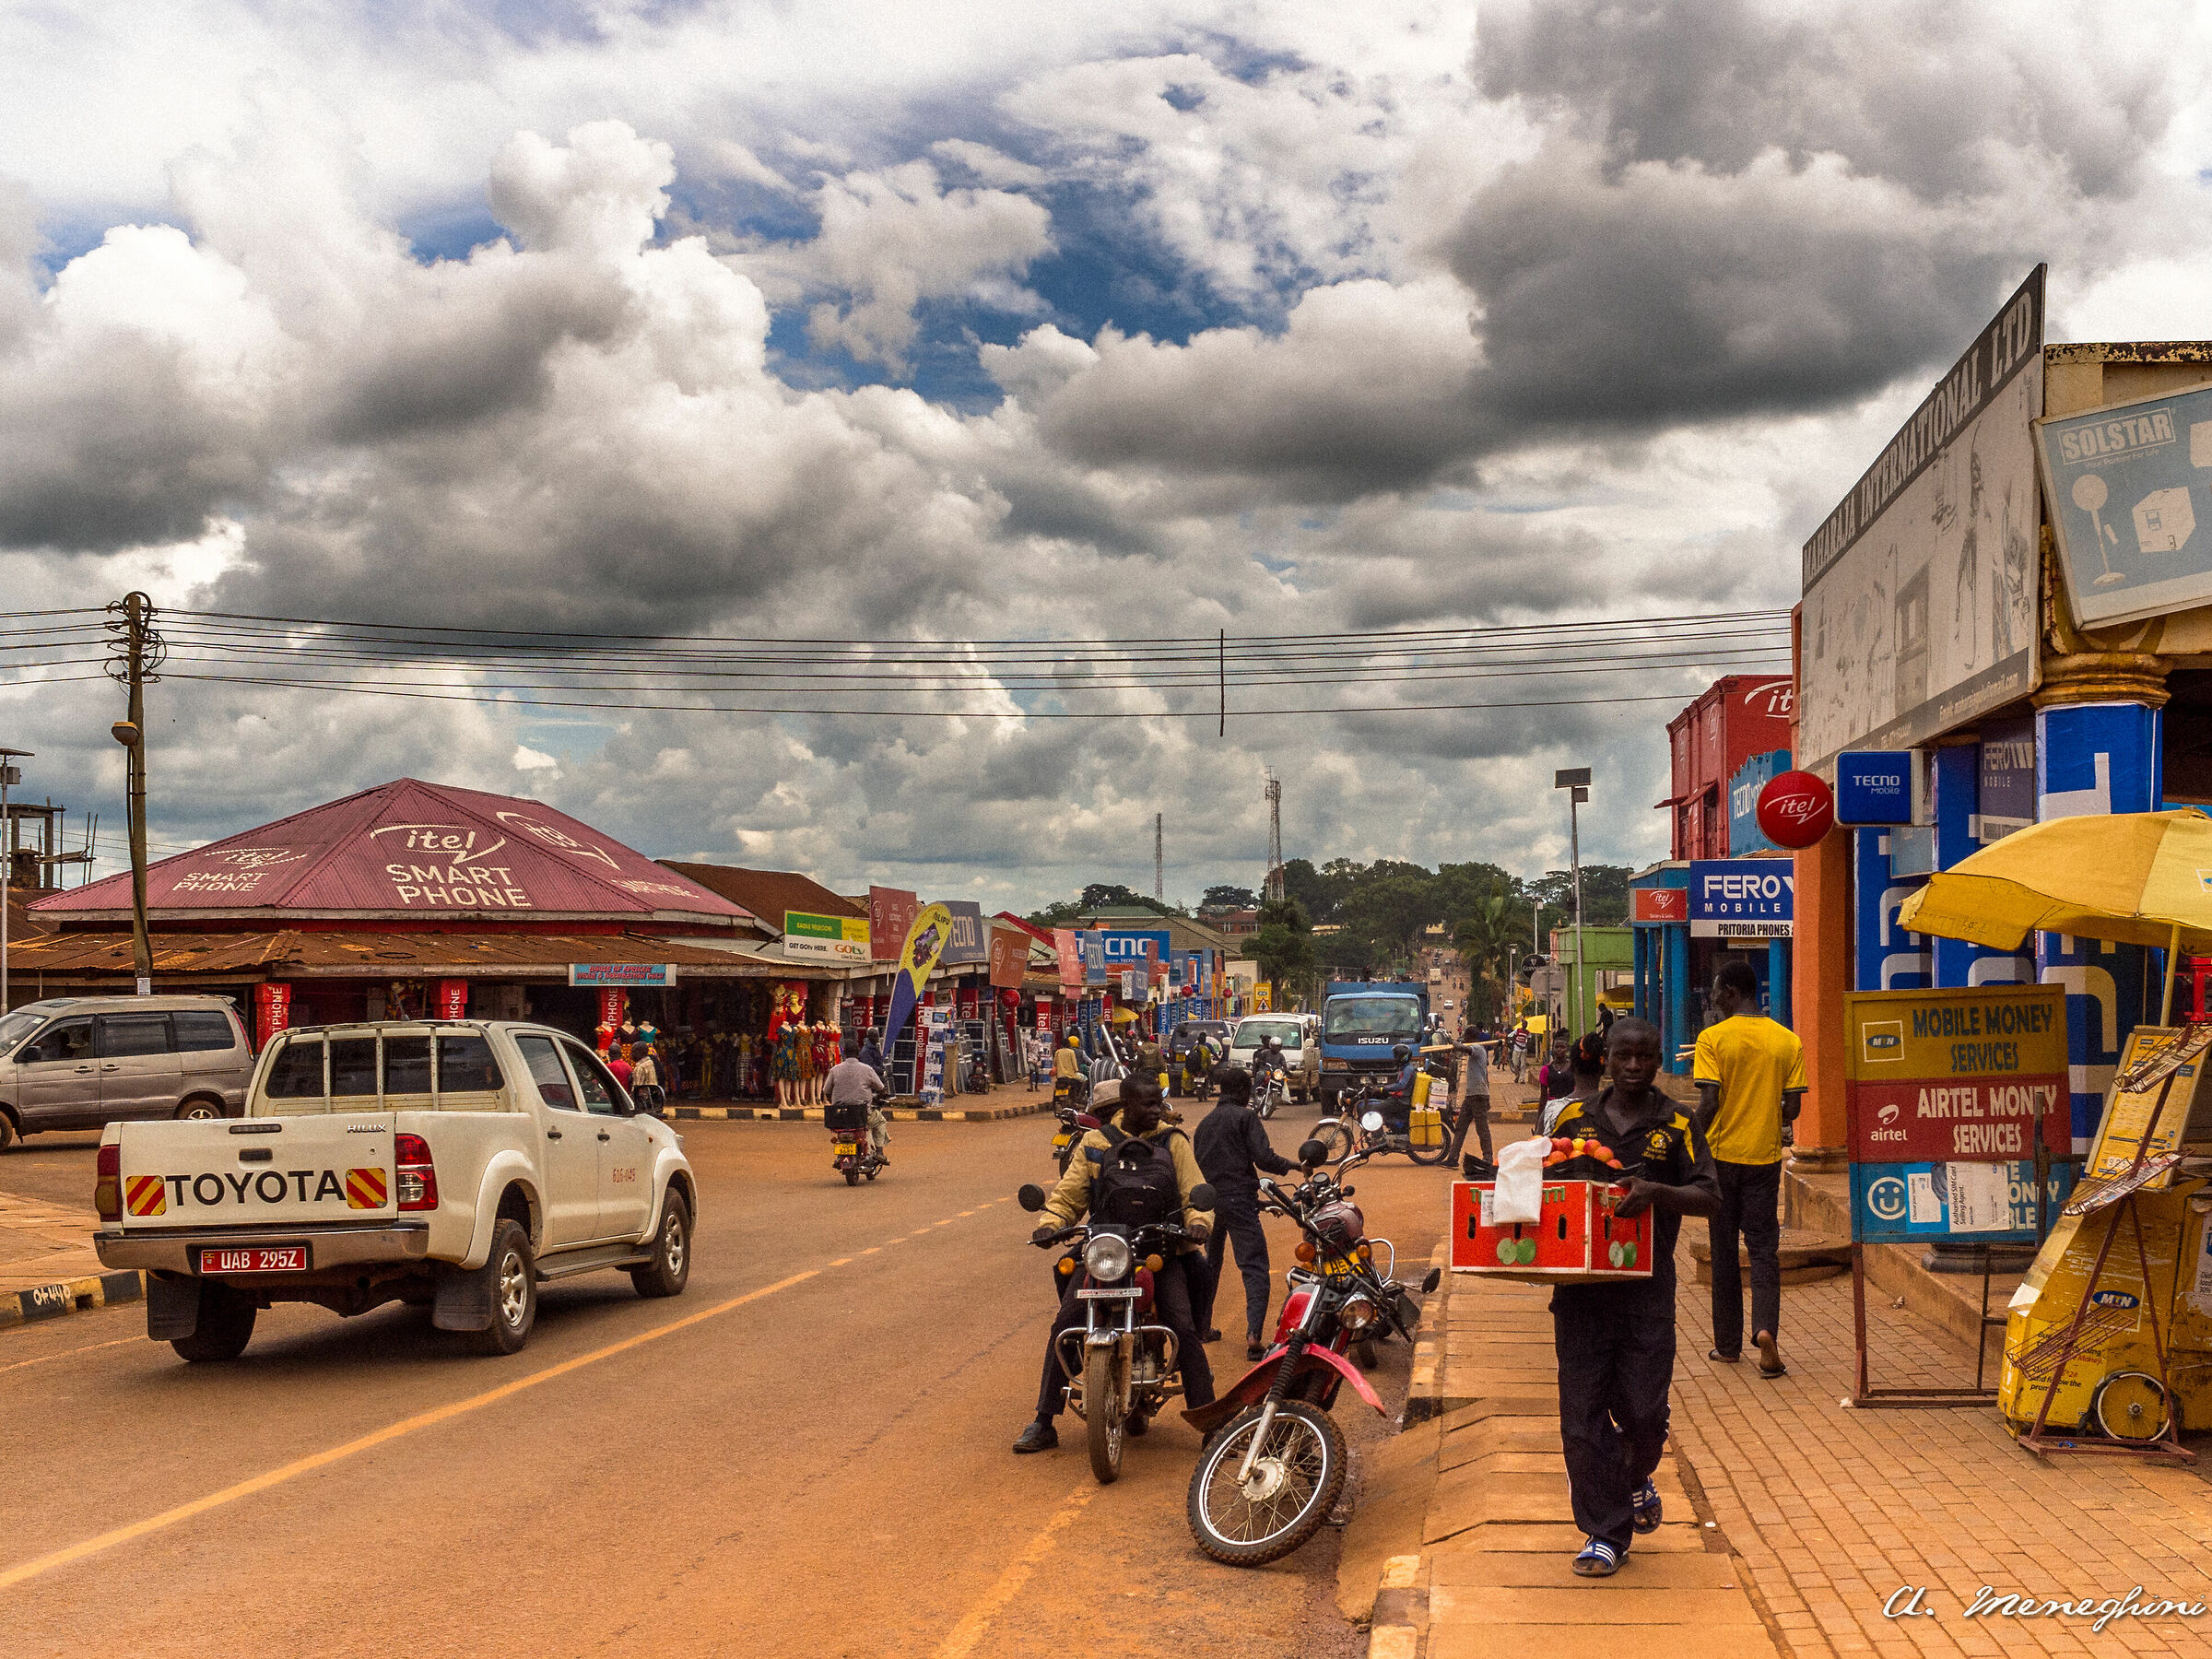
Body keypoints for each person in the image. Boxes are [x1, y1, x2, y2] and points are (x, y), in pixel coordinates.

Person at [1545, 1018, 1719, 1578]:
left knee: (1645, 1415)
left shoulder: (1679, 1122)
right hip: (1580, 1295)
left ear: (1659, 1059)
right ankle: (1604, 1533)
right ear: (1607, 1058)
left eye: (1645, 1057)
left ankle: (1636, 1476)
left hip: (1647, 1294)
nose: (1635, 1067)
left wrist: (1656, 1193)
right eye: (1624, 1056)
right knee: (1582, 1420)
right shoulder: (1573, 1117)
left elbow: (1710, 1196)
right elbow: (1543, 1183)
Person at [1012, 1078, 1214, 1453]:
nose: (1156, 1111)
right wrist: (1050, 1225)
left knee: (1181, 1325)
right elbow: (1069, 1195)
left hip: (1161, 1251)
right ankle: (1044, 1420)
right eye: (1148, 1104)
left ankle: (1212, 1425)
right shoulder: (1096, 1143)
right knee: (1066, 1321)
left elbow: (1194, 1191)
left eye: (1159, 1104)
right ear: (1126, 1103)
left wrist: (1199, 1222)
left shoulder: (1174, 1142)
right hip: (1105, 1251)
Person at [1692, 960, 1806, 1380]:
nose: (1714, 999)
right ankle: (1765, 1331)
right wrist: (1762, 1109)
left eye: (1717, 991)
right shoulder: (1787, 1041)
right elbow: (1791, 1109)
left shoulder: (1712, 1039)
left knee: (1724, 1254)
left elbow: (1709, 1103)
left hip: (1721, 1161)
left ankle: (1727, 1347)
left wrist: (1687, 1145)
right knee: (1763, 1252)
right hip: (1765, 1159)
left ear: (1731, 992)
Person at [1192, 1066, 1296, 1359]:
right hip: (1240, 1202)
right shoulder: (1246, 1117)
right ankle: (1253, 1335)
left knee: (1210, 1267)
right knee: (1254, 1267)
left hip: (1210, 1203)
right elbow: (1264, 1158)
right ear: (1243, 1091)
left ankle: (1203, 1328)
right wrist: (1295, 1166)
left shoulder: (1204, 1125)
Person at [825, 1042, 891, 1162]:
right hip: (862, 1115)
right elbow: (881, 1088)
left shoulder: (835, 1070)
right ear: (858, 1054)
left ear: (844, 1054)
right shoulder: (867, 1069)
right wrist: (880, 1096)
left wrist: (834, 1101)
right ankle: (880, 1152)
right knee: (881, 1121)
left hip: (840, 1116)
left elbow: (826, 1090)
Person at [1446, 1027, 1494, 1169]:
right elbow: (1485, 1075)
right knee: (1460, 1127)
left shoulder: (1478, 1048)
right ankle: (1452, 1158)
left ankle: (1488, 1157)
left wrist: (1453, 1042)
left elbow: (1464, 1049)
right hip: (1471, 1095)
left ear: (1469, 1037)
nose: (1464, 1039)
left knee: (1482, 1129)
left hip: (1478, 1095)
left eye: (1465, 1037)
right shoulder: (1476, 1050)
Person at [1541, 1032, 1606, 1135]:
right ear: (1603, 1069)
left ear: (1571, 1067)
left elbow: (1537, 1144)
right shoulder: (1613, 1111)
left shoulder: (1553, 1110)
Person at [629, 1045, 665, 1114]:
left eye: (633, 1052)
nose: (631, 1055)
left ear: (639, 1053)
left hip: (644, 1102)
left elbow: (636, 1089)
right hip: (654, 1099)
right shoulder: (651, 1062)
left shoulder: (640, 1067)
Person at [1510, 1020, 1532, 1085]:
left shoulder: (1528, 1033)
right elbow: (1513, 1038)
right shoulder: (1517, 1030)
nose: (1525, 1026)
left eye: (1526, 1024)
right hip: (1516, 1048)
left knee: (1523, 1065)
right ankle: (1517, 1075)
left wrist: (1526, 1046)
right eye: (1524, 1024)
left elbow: (1529, 1040)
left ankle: (1522, 1079)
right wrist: (1517, 1044)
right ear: (1522, 1025)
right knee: (1515, 1064)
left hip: (1523, 1050)